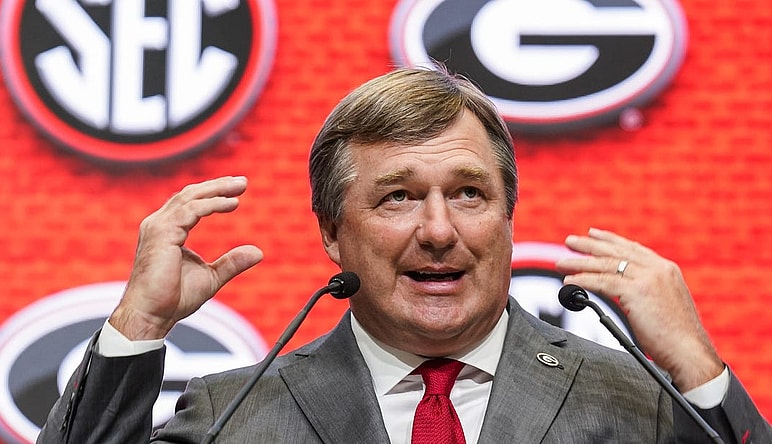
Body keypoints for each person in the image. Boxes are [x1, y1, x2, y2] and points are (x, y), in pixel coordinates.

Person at [38, 67, 770, 443]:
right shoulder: (236, 414)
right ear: (331, 230)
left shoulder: (633, 400)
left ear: (509, 216)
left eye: (470, 194)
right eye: (396, 197)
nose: (439, 230)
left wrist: (700, 373)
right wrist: (137, 324)